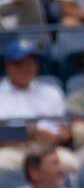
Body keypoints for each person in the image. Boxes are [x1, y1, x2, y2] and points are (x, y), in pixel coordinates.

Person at [0, 41, 71, 172]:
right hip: (10, 151)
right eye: (20, 63)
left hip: (48, 150)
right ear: (8, 66)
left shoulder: (52, 92)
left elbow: (66, 132)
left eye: (31, 63)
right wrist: (27, 133)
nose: (26, 68)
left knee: (72, 164)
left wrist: (56, 138)